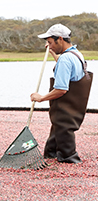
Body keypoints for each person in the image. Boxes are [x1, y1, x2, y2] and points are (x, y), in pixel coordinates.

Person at [30, 24, 93, 163]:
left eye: (50, 42)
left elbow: (61, 89)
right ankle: (51, 153)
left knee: (64, 126)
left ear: (59, 39)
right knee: (59, 123)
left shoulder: (65, 59)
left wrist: (41, 98)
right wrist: (53, 53)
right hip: (75, 104)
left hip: (66, 103)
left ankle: (69, 158)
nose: (49, 45)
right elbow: (65, 68)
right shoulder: (75, 54)